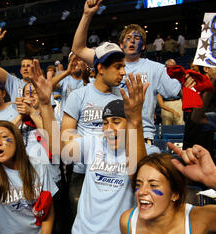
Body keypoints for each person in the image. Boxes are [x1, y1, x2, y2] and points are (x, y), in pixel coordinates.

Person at [60, 73, 160, 234]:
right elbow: (61, 147)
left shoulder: (148, 152)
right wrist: (46, 108)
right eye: (105, 122)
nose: (108, 128)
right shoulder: (94, 143)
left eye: (116, 121)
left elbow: (141, 178)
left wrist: (135, 122)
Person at [71, 0, 181, 146]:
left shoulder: (156, 69)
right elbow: (78, 49)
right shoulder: (108, 63)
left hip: (142, 136)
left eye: (137, 38)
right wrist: (86, 15)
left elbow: (176, 91)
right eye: (127, 38)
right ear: (121, 44)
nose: (132, 42)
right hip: (111, 136)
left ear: (143, 46)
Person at [60, 41, 126, 228]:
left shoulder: (123, 97)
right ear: (100, 68)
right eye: (118, 67)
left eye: (124, 67)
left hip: (114, 175)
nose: (123, 72)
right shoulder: (78, 96)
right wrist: (100, 145)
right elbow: (65, 139)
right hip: (82, 174)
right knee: (80, 226)